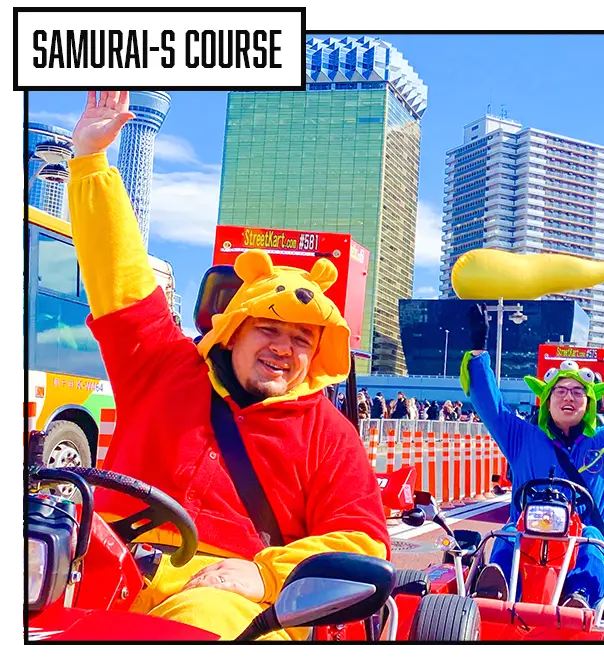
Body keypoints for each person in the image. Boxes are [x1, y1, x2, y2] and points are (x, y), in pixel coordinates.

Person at [66, 91, 390, 640]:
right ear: (233, 330)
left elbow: (362, 541)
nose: (283, 348)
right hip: (103, 571)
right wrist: (91, 162)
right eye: (269, 329)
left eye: (301, 339)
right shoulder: (163, 366)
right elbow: (121, 281)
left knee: (202, 623)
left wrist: (265, 573)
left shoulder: (330, 435)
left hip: (232, 599)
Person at [459, 304, 604, 608]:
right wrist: (479, 350)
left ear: (589, 403)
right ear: (547, 401)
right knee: (506, 533)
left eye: (577, 391)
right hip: (527, 541)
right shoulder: (523, 437)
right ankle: (497, 589)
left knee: (594, 540)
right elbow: (489, 405)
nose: (568, 396)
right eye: (560, 391)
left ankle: (580, 597)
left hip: (585, 544)